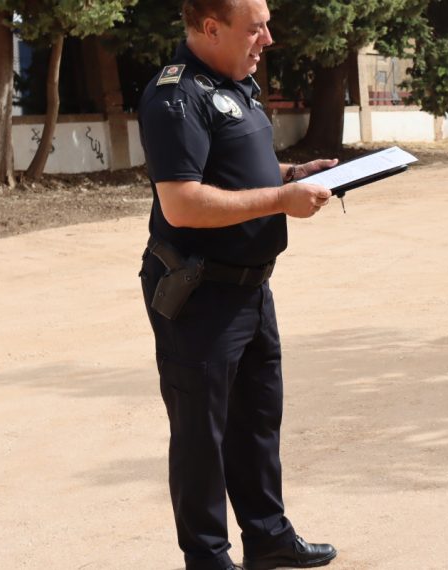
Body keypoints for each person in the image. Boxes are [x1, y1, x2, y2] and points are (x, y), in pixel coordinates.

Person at [137, 1, 340, 568]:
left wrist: (294, 175)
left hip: (251, 286)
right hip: (199, 293)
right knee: (202, 434)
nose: (268, 38)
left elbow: (236, 172)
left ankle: (269, 538)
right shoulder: (175, 95)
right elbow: (182, 202)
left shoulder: (237, 85)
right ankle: (207, 559)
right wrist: (281, 200)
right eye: (255, 27)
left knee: (256, 422)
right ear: (210, 28)